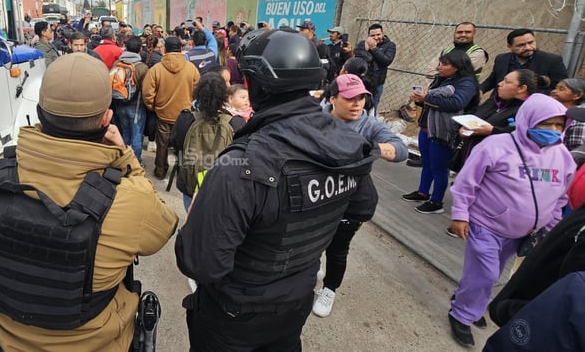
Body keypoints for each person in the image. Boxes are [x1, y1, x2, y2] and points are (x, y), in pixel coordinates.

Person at [0, 53, 178, 351]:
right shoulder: (131, 199)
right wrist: (127, 159)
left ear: (40, 112)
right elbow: (165, 226)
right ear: (107, 119)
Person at [175, 28, 378, 351]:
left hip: (234, 318)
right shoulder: (347, 143)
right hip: (295, 303)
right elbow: (362, 207)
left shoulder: (239, 166)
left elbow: (201, 264)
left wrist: (200, 215)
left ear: (256, 86)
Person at [446, 93, 574, 347]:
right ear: (528, 120)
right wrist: (460, 214)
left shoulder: (562, 156)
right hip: (486, 224)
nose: (553, 130)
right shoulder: (496, 146)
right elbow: (465, 184)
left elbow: (561, 195)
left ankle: (469, 302)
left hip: (524, 232)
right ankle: (461, 314)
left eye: (559, 125)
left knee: (492, 273)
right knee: (486, 273)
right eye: (545, 124)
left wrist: (551, 226)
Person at [311, 74, 407, 318]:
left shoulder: (369, 125)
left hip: (353, 201)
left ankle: (329, 289)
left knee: (338, 248)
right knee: (313, 242)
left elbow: (400, 150)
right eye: (350, 98)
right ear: (332, 98)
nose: (357, 104)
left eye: (362, 98)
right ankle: (314, 270)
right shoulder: (317, 120)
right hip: (320, 195)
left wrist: (370, 148)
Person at [402, 51, 480, 214]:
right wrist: (420, 101)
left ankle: (436, 201)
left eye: (444, 64)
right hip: (427, 126)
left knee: (439, 166)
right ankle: (423, 192)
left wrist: (426, 99)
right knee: (428, 162)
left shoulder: (467, 83)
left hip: (445, 131)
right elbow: (431, 100)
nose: (440, 67)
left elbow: (456, 103)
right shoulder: (441, 79)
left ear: (458, 67)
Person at [448, 70, 547, 175]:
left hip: (496, 171)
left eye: (507, 82)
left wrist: (492, 131)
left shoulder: (528, 110)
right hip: (469, 161)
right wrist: (464, 129)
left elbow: (521, 136)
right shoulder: (494, 101)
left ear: (521, 88)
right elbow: (474, 117)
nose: (500, 84)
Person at [170, 72, 245, 210]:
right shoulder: (236, 123)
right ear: (225, 96)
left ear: (198, 93)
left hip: (190, 184)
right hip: (221, 187)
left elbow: (176, 144)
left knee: (192, 219)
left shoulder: (186, 119)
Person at [142, 36, 200, 180]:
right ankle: (182, 173)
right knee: (184, 145)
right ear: (180, 49)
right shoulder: (191, 68)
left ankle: (160, 171)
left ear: (165, 49)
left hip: (163, 114)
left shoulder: (157, 69)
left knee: (162, 145)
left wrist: (153, 107)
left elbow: (147, 93)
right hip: (185, 115)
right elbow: (198, 89)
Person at [479, 28, 567, 96]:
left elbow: (559, 88)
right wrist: (480, 90)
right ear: (510, 47)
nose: (528, 47)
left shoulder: (552, 60)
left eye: (531, 42)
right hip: (499, 101)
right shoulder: (501, 59)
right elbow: (493, 79)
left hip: (530, 104)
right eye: (521, 45)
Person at [112, 36, 148, 164]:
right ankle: (136, 162)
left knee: (125, 132)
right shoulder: (142, 68)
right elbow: (146, 90)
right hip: (136, 106)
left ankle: (123, 159)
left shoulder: (117, 63)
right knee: (137, 135)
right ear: (139, 50)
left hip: (119, 104)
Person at [354, 23, 396, 113]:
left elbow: (386, 61)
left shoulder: (390, 45)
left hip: (377, 83)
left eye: (378, 34)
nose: (376, 37)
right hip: (362, 81)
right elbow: (357, 54)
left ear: (383, 34)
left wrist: (373, 48)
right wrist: (365, 49)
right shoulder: (363, 44)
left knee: (372, 107)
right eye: (373, 35)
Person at [550, 77, 585, 150]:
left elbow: (577, 149)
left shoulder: (579, 116)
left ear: (577, 95)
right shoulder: (553, 109)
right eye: (556, 88)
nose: (554, 91)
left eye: (561, 89)